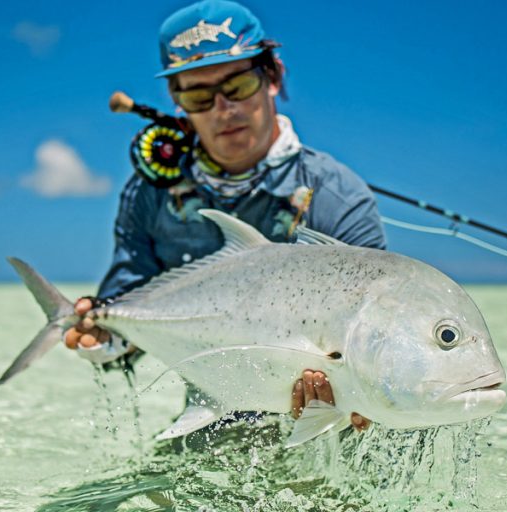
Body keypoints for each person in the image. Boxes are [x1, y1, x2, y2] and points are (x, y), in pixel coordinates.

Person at [65, 0, 384, 432]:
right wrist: (103, 339)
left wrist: (363, 398)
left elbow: (370, 332)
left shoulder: (339, 196)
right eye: (199, 95)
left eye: (237, 86)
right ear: (179, 102)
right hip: (207, 424)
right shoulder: (150, 195)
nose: (223, 109)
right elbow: (124, 329)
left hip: (325, 433)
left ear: (272, 77)